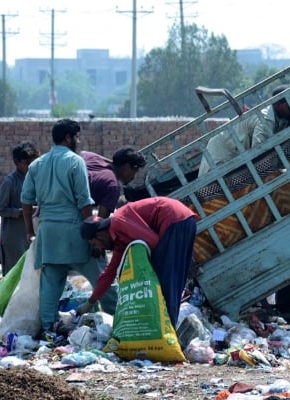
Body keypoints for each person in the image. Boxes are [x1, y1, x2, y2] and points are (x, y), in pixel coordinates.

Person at [20, 118, 97, 339]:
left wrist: (30, 230)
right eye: (77, 136)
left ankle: (48, 329)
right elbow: (84, 201)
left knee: (51, 284)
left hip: (48, 232)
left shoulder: (36, 165)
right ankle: (120, 316)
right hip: (74, 230)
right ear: (68, 138)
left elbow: (26, 200)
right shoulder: (75, 162)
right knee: (101, 277)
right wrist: (91, 233)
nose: (78, 141)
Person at [78, 196, 198, 328]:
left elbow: (152, 242)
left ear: (99, 234)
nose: (98, 248)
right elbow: (109, 273)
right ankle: (167, 331)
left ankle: (165, 332)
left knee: (166, 284)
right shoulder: (119, 241)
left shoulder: (119, 222)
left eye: (95, 243)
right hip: (185, 220)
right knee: (172, 283)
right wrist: (90, 302)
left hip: (173, 219)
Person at [78, 147, 147, 313]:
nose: (133, 176)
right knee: (101, 268)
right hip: (74, 220)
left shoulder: (93, 159)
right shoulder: (113, 186)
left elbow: (83, 152)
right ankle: (116, 312)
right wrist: (97, 247)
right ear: (126, 167)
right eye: (134, 170)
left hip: (48, 215)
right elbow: (101, 225)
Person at [198, 84, 290, 176]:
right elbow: (259, 154)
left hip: (235, 152)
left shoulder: (282, 119)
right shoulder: (265, 121)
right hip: (221, 154)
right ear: (278, 105)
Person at [0, 141, 40, 275]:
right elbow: (1, 209)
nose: (31, 166)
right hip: (14, 237)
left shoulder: (34, 179)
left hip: (30, 234)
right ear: (17, 162)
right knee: (13, 274)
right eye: (27, 163)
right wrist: (23, 212)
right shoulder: (10, 182)